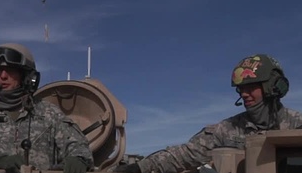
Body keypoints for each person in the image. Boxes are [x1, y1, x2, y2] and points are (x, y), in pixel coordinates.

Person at [114, 54, 302, 173]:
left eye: (251, 87)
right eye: (241, 89)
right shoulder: (227, 130)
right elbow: (185, 154)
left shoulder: (297, 125)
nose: (244, 94)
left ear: (273, 87)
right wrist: (140, 167)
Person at [0, 43, 94, 173]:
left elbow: (78, 146)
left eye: (11, 70)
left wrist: (78, 159)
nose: (3, 76)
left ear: (28, 77)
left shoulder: (48, 112)